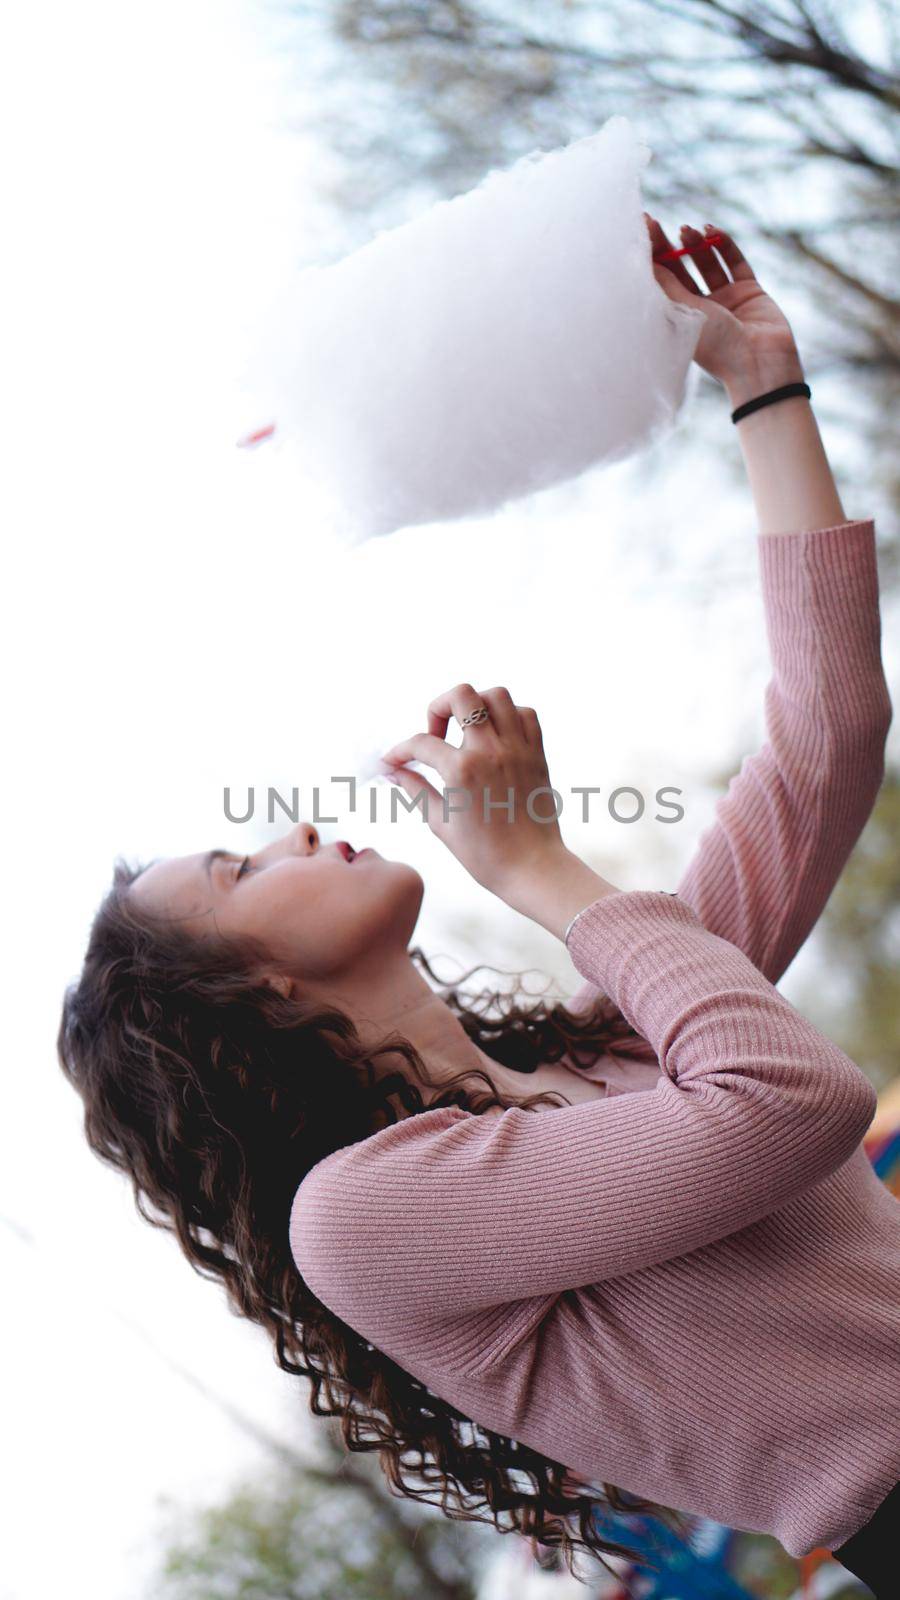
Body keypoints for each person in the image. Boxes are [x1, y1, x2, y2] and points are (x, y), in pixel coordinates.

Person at [58, 220, 898, 1593]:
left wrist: (760, 381)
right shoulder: (360, 1223)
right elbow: (790, 1105)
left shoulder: (603, 1042)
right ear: (231, 1000)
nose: (295, 831)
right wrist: (538, 869)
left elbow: (827, 739)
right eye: (237, 870)